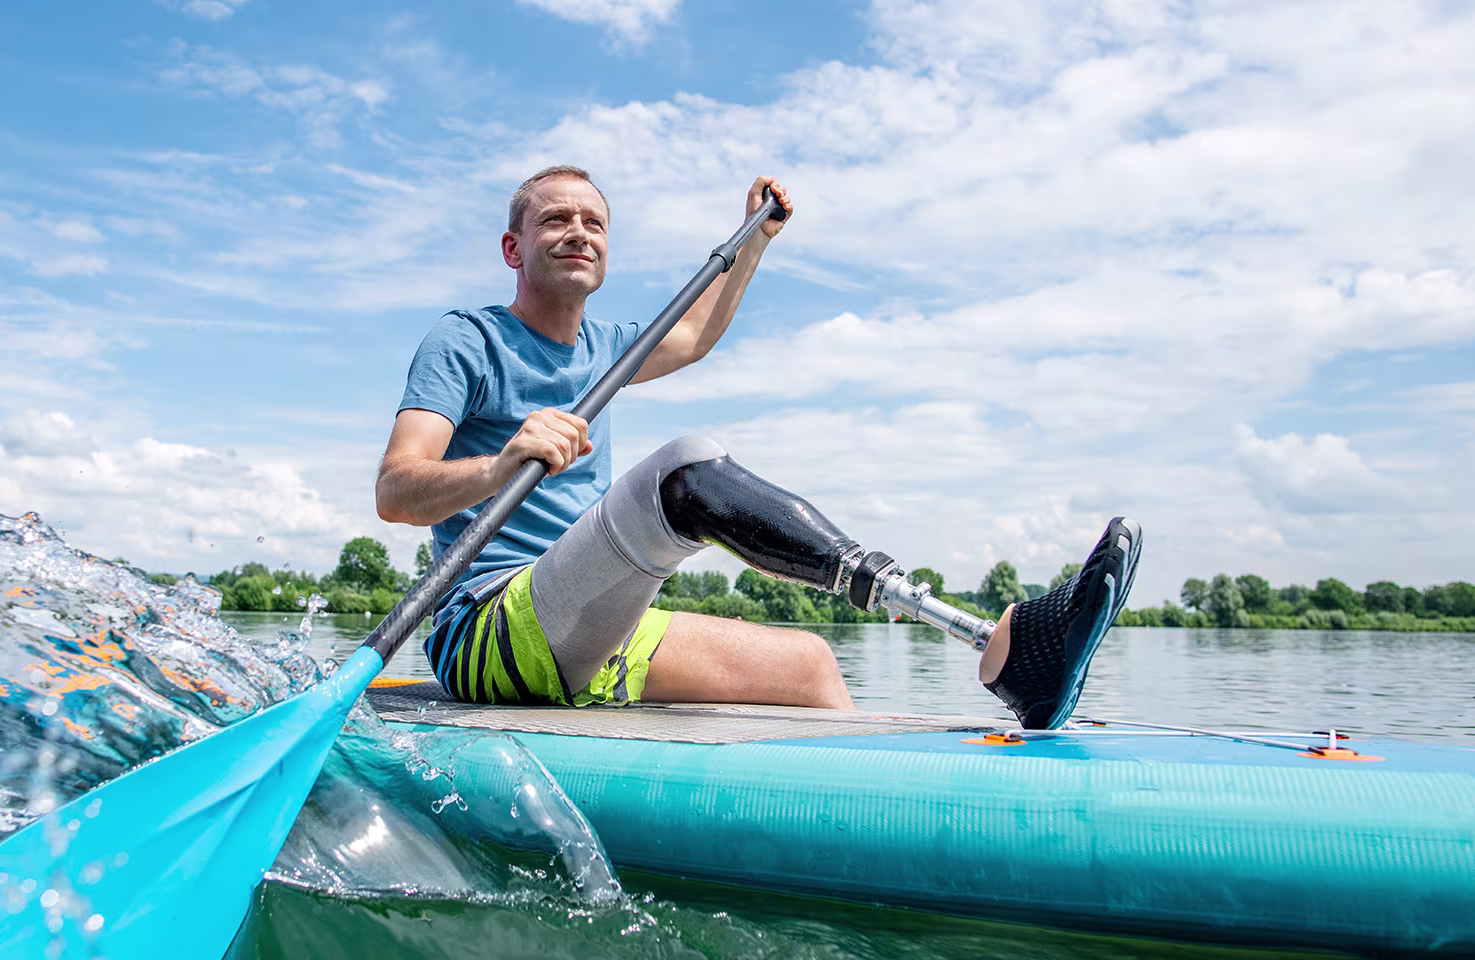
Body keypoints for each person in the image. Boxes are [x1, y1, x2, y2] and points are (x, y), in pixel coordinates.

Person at [376, 165, 1140, 728]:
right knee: (685, 472)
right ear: (514, 248)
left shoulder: (606, 346)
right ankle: (966, 624)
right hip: (486, 631)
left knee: (809, 664)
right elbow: (397, 492)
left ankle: (1011, 682)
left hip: (586, 625)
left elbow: (695, 335)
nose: (579, 231)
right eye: (556, 220)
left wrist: (756, 242)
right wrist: (500, 462)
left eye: (595, 222)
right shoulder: (466, 340)